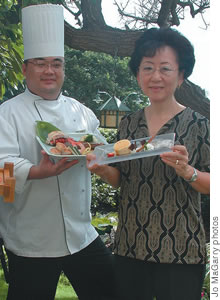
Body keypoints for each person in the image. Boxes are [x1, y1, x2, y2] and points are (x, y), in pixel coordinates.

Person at [0, 4, 116, 300]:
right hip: (30, 241)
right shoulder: (7, 113)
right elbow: (2, 178)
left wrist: (106, 158)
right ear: (25, 68)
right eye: (40, 63)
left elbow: (100, 153)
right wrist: (38, 172)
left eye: (56, 63)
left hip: (82, 235)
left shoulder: (81, 111)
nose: (49, 70)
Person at [87, 27, 210, 300]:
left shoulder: (200, 125)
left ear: (181, 75)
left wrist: (187, 171)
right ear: (138, 74)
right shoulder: (129, 123)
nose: (156, 76)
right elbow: (122, 179)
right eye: (148, 68)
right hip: (131, 247)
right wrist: (102, 168)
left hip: (181, 249)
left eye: (165, 68)